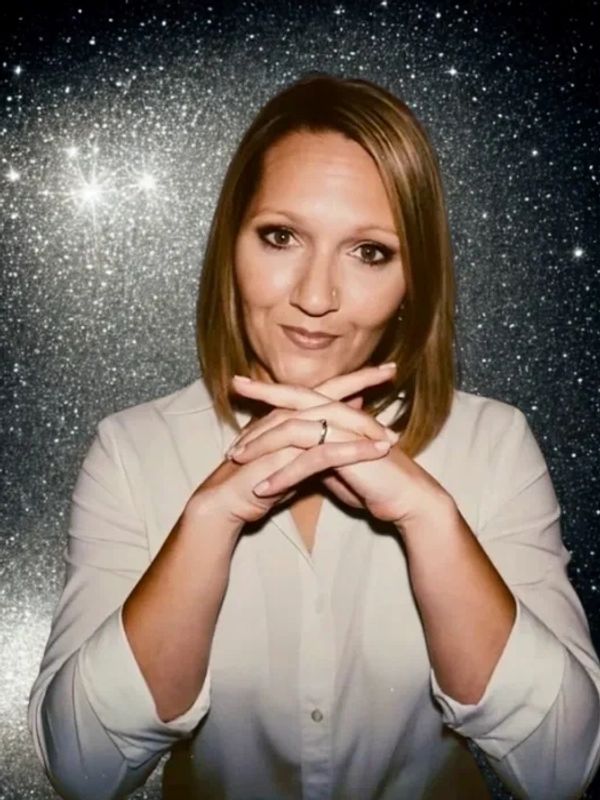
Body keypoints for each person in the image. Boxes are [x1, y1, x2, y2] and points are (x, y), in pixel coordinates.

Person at [28, 71, 600, 800]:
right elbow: (82, 771)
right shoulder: (132, 449)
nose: (316, 297)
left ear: (413, 281)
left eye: (370, 252)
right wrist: (208, 520)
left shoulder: (494, 442)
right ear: (230, 247)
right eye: (280, 236)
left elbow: (561, 770)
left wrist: (430, 518)